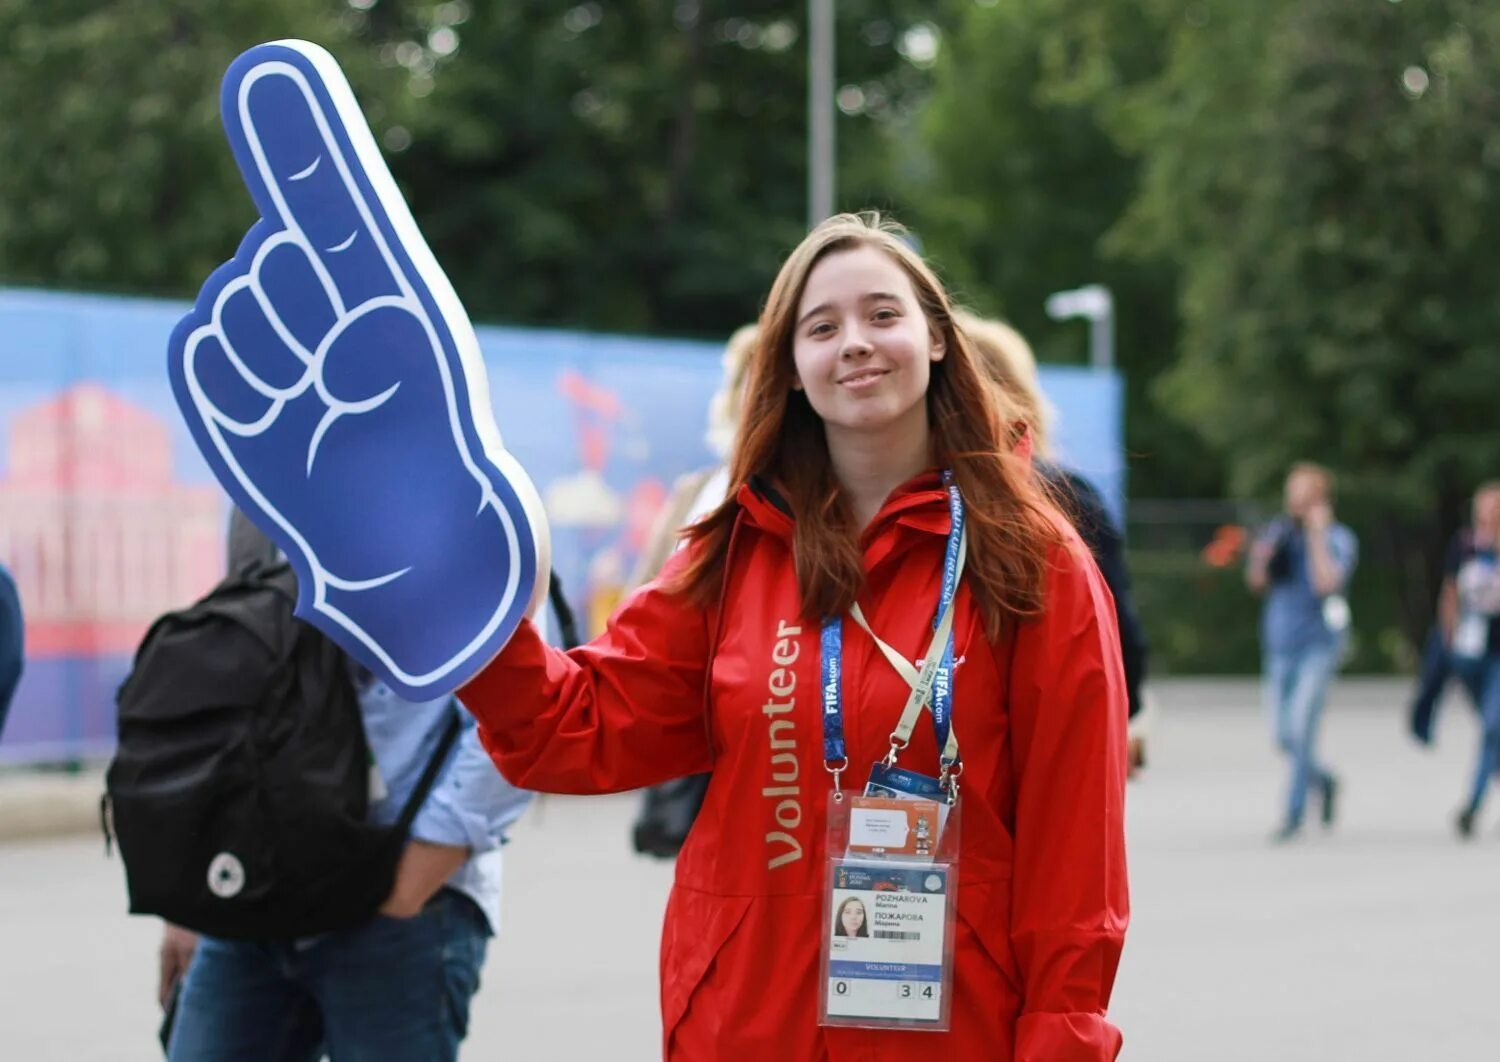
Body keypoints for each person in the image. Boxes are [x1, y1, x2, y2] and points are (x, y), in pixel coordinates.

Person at [460, 213, 1129, 1058]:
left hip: (955, 1032)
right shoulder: (734, 548)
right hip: (746, 1027)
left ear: (935, 342)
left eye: (883, 315)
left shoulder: (1033, 560)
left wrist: (1064, 1039)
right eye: (823, 327)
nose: (855, 342)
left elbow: (1078, 848)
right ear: (791, 370)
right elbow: (576, 725)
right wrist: (463, 618)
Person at [158, 511, 534, 1061]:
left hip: (399, 904)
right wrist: (194, 897)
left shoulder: (458, 483)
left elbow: (519, 707)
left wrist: (413, 878)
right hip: (255, 897)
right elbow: (237, 688)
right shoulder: (259, 477)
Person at [957, 312, 1151, 771]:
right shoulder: (1067, 495)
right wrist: (1128, 711)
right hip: (1053, 738)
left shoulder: (911, 499)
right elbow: (1118, 631)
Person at [631, 325, 754, 858]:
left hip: (761, 729)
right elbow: (645, 595)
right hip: (690, 718)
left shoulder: (820, 495)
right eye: (752, 381)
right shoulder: (695, 490)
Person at [1247, 462, 1358, 842]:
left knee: (1300, 729)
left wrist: (1316, 534)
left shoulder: (1338, 538)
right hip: (1279, 643)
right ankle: (1324, 781)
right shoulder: (1278, 532)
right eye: (1292, 495)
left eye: (1304, 496)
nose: (1295, 503)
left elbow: (1327, 582)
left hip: (1319, 646)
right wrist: (1267, 548)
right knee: (1283, 734)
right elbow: (1257, 580)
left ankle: (1292, 813)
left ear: (1320, 500)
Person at [1439, 482, 1500, 837]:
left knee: (1493, 726)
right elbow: (1450, 592)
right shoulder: (1464, 545)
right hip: (1471, 651)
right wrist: (1448, 640)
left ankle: (1473, 803)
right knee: (1494, 731)